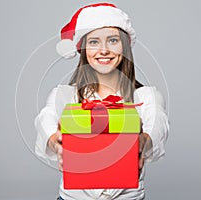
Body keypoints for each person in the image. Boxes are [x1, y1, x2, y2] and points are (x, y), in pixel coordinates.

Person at [34, 3, 169, 200]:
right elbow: (45, 119)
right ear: (83, 49)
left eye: (113, 41)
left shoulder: (146, 96)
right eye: (94, 42)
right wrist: (56, 142)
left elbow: (159, 125)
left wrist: (143, 142)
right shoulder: (64, 95)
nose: (103, 50)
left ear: (124, 46)